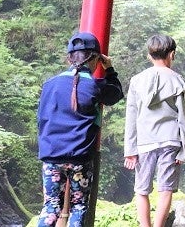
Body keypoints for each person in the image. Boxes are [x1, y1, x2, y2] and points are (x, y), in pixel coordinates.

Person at [37, 31, 124, 227]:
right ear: (95, 59)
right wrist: (109, 69)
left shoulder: (49, 85)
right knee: (78, 206)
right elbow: (116, 93)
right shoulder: (95, 86)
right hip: (80, 156)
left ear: (69, 58)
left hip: (51, 154)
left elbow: (41, 119)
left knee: (51, 206)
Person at [124, 34, 185, 227]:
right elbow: (184, 117)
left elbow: (131, 117)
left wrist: (130, 150)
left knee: (141, 189)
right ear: (172, 54)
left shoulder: (136, 81)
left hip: (144, 141)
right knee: (166, 189)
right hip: (171, 140)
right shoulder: (178, 81)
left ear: (149, 55)